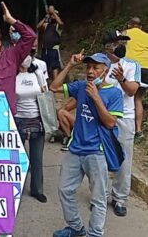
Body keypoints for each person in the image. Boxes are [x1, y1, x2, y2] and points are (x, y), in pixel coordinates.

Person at [50, 52, 123, 237]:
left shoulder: (114, 93)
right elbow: (54, 87)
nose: (90, 72)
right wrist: (70, 65)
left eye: (96, 68)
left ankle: (95, 233)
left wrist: (97, 98)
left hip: (97, 152)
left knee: (98, 198)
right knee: (64, 190)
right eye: (88, 67)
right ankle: (76, 228)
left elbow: (110, 123)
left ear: (105, 71)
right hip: (75, 149)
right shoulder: (81, 86)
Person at [103, 29, 140, 217]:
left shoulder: (132, 65)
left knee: (124, 161)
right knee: (99, 160)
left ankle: (119, 199)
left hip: (125, 118)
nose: (121, 46)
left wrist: (122, 79)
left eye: (124, 43)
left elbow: (132, 91)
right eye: (118, 43)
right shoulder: (99, 64)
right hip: (103, 117)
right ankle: (100, 197)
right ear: (108, 46)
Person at [15, 55, 47, 203]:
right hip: (18, 119)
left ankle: (37, 190)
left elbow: (45, 93)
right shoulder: (12, 74)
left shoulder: (37, 73)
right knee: (17, 158)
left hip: (37, 118)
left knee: (37, 159)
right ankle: (16, 189)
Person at [123, 17, 148, 138]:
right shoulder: (146, 36)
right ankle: (138, 130)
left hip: (130, 67)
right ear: (141, 27)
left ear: (129, 25)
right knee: (138, 99)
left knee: (124, 96)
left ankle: (124, 127)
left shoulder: (125, 33)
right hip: (145, 69)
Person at [37, 5, 64, 81]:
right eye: (51, 15)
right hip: (45, 48)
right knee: (44, 65)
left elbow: (61, 23)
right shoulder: (47, 25)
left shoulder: (58, 26)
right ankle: (44, 82)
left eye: (54, 15)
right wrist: (46, 17)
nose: (52, 16)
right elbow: (38, 27)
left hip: (53, 48)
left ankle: (55, 82)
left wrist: (53, 13)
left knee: (54, 66)